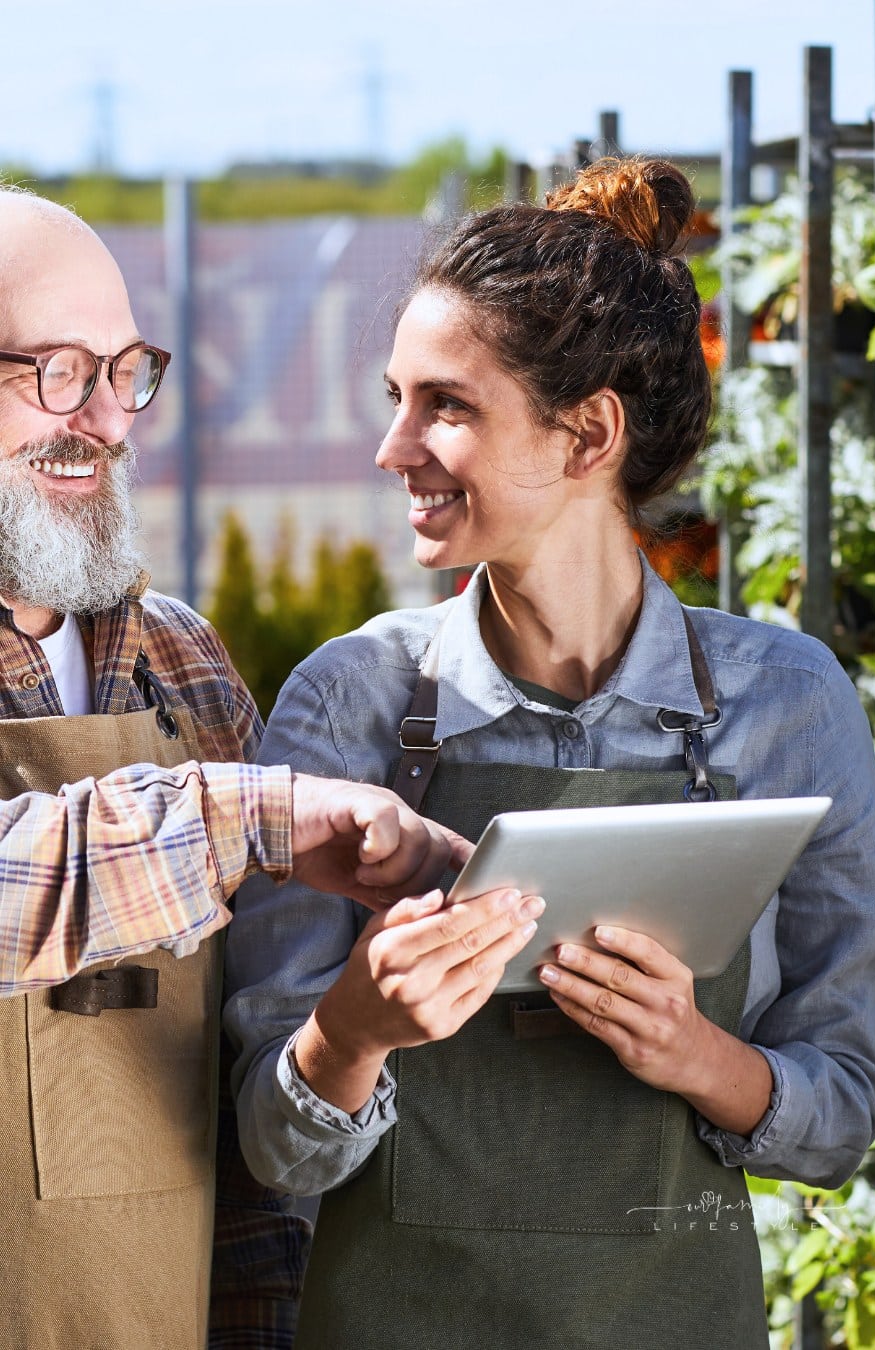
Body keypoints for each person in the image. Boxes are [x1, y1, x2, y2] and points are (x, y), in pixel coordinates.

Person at [223, 158, 875, 1350]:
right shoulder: (349, 706)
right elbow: (272, 1153)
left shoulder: (787, 707)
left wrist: (698, 1056)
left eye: (447, 406)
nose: (393, 448)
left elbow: (841, 1118)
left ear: (588, 433)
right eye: (396, 398)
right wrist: (358, 1025)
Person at [0, 184, 474, 1350]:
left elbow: (238, 1077)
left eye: (124, 371)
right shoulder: (243, 795)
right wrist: (256, 816)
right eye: (55, 372)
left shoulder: (181, 657)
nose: (107, 419)